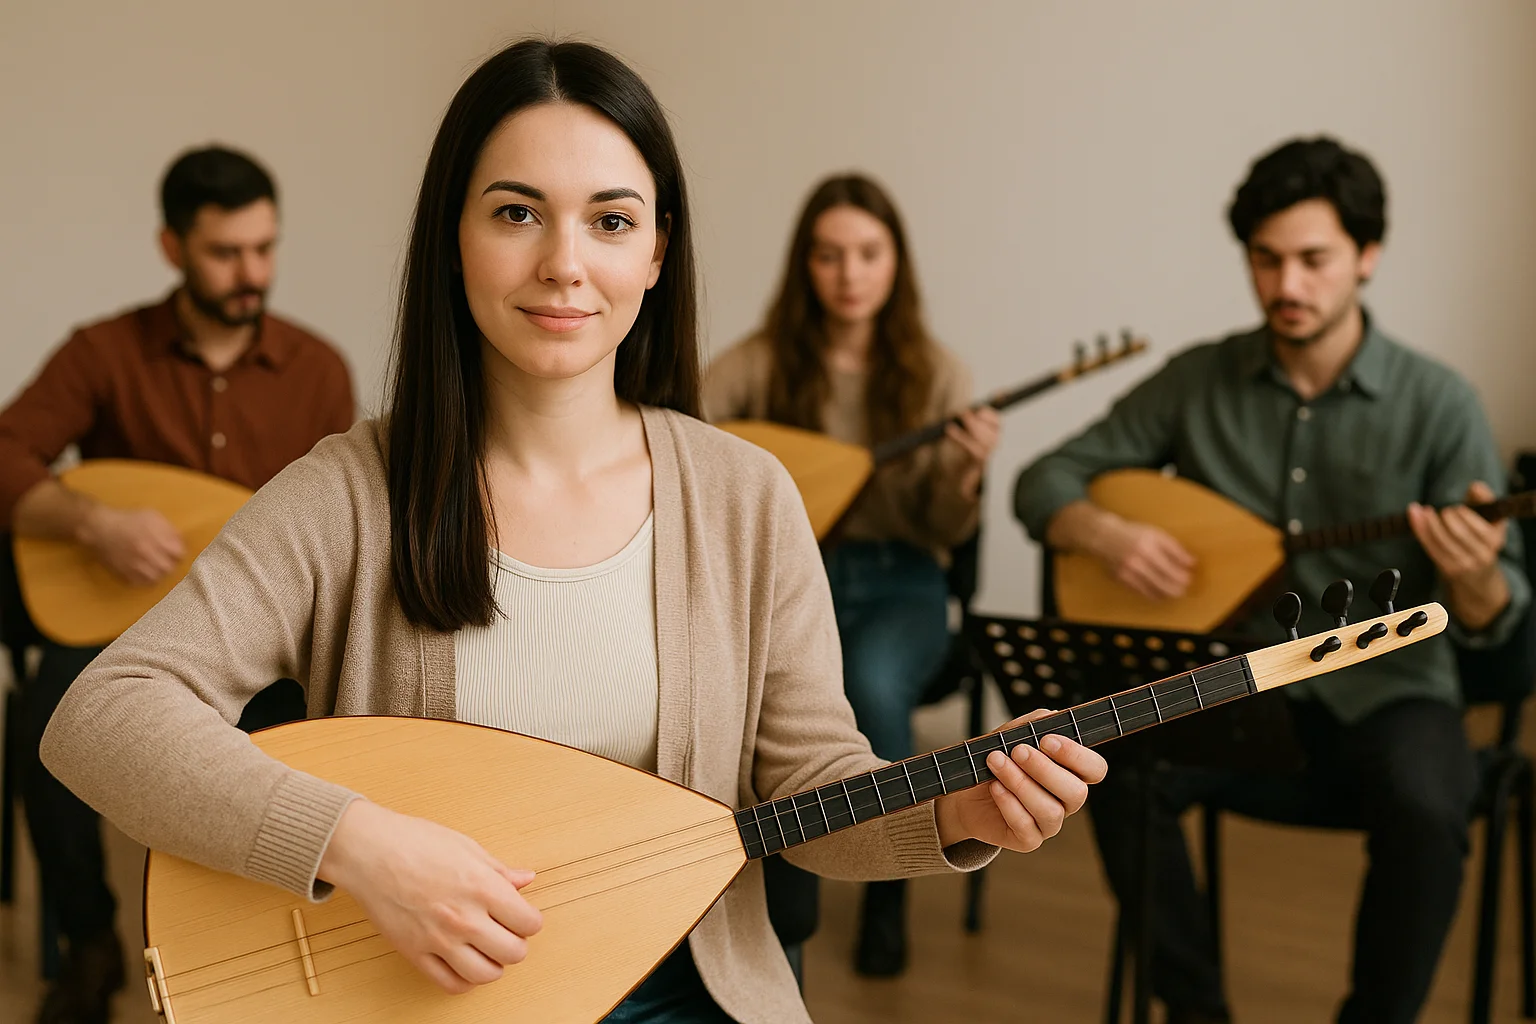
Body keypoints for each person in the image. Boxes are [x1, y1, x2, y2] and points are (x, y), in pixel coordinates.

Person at [40, 40, 1104, 1024]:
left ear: (655, 252)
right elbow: (105, 714)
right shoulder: (349, 493)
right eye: (515, 214)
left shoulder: (746, 496)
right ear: (453, 235)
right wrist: (358, 845)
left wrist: (958, 808)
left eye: (610, 219)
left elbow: (808, 789)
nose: (564, 263)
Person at [1013, 136, 1530, 1024]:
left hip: (1390, 683)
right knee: (1112, 768)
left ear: (1367, 257)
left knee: (1429, 802)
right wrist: (1101, 531)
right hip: (1236, 678)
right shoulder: (1199, 381)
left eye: (1313, 260)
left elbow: (1497, 617)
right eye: (1266, 260)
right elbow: (1044, 479)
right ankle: (1196, 1011)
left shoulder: (1438, 401)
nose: (1287, 285)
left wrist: (1473, 577)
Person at [0, 144, 353, 1024]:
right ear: (172, 248)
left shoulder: (317, 371)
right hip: (117, 631)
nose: (251, 273)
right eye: (225, 253)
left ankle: (248, 963)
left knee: (306, 751)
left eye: (264, 249)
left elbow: (350, 525)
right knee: (47, 735)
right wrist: (94, 522)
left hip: (263, 646)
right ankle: (90, 946)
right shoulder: (104, 353)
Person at [703, 172, 1001, 977]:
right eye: (829, 255)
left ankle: (889, 895)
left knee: (870, 684)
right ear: (805, 265)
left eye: (868, 254)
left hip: (902, 580)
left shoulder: (935, 372)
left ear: (895, 262)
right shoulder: (759, 363)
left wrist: (965, 478)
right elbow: (686, 431)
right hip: (797, 581)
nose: (849, 274)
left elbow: (944, 532)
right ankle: (783, 899)